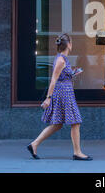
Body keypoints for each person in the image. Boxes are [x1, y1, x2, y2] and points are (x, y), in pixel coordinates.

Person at [27, 33, 92, 161]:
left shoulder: (62, 59)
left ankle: (34, 144)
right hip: (63, 94)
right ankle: (77, 152)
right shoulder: (61, 60)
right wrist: (48, 98)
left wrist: (72, 73)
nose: (72, 44)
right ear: (68, 45)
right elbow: (53, 80)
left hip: (65, 93)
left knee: (57, 124)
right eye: (71, 42)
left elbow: (61, 77)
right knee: (75, 122)